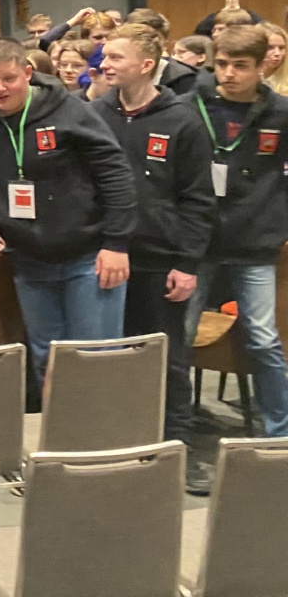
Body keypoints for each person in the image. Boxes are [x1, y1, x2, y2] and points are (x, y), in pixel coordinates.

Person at [0, 38, 137, 383]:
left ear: (27, 73)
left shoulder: (70, 111)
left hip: (89, 258)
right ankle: (59, 422)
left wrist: (117, 242)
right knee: (46, 359)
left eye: (9, 78)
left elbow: (115, 174)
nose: (0, 88)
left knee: (95, 359)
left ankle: (101, 422)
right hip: (29, 260)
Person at [92, 24, 215, 489]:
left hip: (161, 259)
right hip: (105, 257)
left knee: (168, 358)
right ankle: (120, 445)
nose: (104, 64)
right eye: (104, 56)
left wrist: (187, 263)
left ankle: (178, 451)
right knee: (110, 359)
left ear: (146, 65)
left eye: (115, 57)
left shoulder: (182, 120)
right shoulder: (95, 114)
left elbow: (198, 200)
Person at [184, 25, 288, 438]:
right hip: (198, 242)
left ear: (262, 66)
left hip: (254, 240)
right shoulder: (190, 106)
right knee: (181, 335)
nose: (228, 74)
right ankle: (176, 427)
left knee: (263, 339)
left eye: (240, 66)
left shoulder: (280, 113)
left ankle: (280, 432)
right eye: (222, 64)